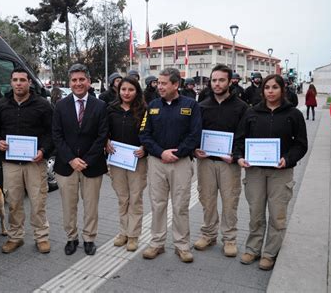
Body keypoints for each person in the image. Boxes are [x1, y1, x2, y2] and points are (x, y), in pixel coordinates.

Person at [233, 74, 307, 271]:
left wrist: (288, 159)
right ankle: (253, 248)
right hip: (255, 172)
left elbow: (301, 144)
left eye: (275, 87)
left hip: (280, 173)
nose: (271, 91)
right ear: (262, 90)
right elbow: (239, 140)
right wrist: (239, 157)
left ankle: (270, 253)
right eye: (267, 87)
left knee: (277, 215)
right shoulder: (251, 113)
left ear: (282, 90)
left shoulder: (293, 114)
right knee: (255, 213)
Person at [0, 67, 53, 254]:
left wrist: (43, 150)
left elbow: (51, 133)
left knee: (38, 201)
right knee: (14, 202)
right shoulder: (1, 105)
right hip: (11, 164)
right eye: (15, 80)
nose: (18, 83)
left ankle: (41, 237)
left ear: (29, 82)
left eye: (22, 80)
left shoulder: (42, 105)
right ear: (11, 82)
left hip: (35, 163)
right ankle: (15, 237)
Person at [139, 67, 202, 263]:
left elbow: (195, 134)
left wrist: (177, 152)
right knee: (158, 204)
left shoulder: (191, 105)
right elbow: (144, 134)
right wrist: (160, 152)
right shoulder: (152, 106)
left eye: (164, 83)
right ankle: (156, 243)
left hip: (181, 163)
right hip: (157, 162)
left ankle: (182, 245)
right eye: (159, 83)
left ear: (176, 84)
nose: (160, 86)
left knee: (180, 205)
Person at [52, 63, 108, 256]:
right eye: (74, 80)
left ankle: (89, 238)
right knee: (69, 205)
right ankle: (71, 238)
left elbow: (102, 136)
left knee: (91, 205)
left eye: (82, 79)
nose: (78, 83)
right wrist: (71, 159)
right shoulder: (60, 105)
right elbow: (56, 135)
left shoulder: (100, 106)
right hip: (66, 166)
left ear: (89, 81)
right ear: (70, 82)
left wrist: (86, 160)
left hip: (92, 166)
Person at [193, 65, 248, 257]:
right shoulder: (202, 106)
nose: (217, 84)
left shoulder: (241, 107)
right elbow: (194, 133)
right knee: (206, 199)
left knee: (230, 201)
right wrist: (194, 149)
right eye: (214, 80)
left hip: (229, 163)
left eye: (221, 80)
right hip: (206, 161)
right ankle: (208, 234)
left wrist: (235, 154)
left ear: (230, 81)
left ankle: (229, 239)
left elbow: (243, 135)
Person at [106, 76, 147, 252]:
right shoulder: (111, 109)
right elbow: (104, 130)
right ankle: (123, 232)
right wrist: (106, 142)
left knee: (135, 199)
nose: (126, 93)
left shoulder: (144, 110)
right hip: (116, 160)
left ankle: (133, 235)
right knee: (123, 198)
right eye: (123, 89)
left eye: (130, 89)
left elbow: (149, 132)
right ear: (118, 90)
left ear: (136, 91)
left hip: (137, 161)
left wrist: (145, 148)